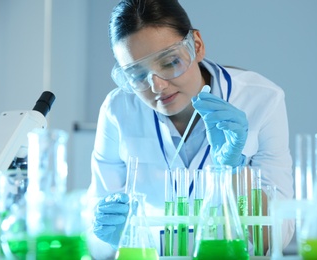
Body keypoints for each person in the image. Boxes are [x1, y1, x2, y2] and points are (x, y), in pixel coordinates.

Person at [88, 0, 294, 257]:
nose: (157, 87)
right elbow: (94, 239)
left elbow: (276, 239)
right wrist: (113, 234)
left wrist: (232, 173)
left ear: (196, 45)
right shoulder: (118, 110)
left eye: (169, 62)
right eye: (138, 75)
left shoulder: (262, 100)